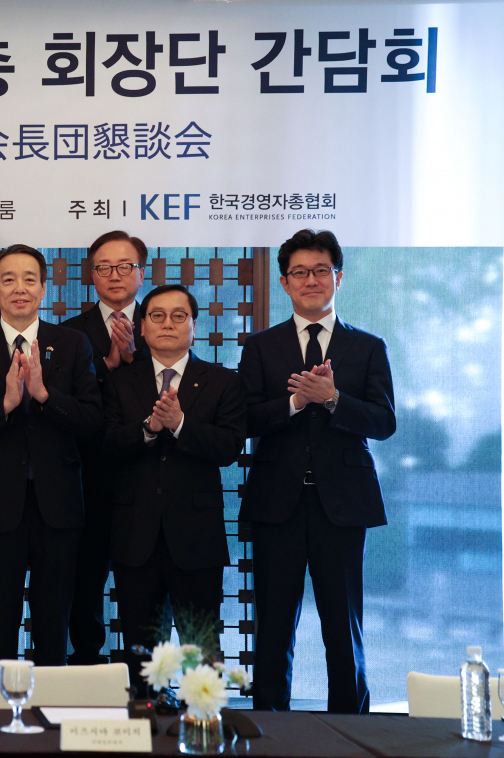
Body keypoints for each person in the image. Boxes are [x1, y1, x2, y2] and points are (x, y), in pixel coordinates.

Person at [240, 229, 396, 714]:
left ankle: (352, 728)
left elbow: (384, 421)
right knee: (274, 627)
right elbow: (244, 419)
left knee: (342, 626)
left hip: (342, 505)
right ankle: (267, 731)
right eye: (300, 273)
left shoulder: (367, 347)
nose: (311, 280)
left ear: (339, 277)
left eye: (321, 270)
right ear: (285, 283)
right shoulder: (262, 347)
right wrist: (294, 402)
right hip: (277, 503)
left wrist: (332, 400)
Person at [0, 244, 103, 666]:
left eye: (30, 279)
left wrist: (45, 396)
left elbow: (92, 421)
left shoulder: (72, 343)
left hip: (59, 505)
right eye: (8, 279)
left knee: (54, 619)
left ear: (44, 288)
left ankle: (50, 714)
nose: (20, 288)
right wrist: (6, 406)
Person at [101, 284, 246, 687]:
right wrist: (148, 428)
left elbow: (230, 447)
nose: (168, 323)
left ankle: (203, 727)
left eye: (178, 316)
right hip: (135, 535)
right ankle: (144, 730)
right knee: (141, 651)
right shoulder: (119, 382)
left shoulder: (222, 381)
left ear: (194, 326)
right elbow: (106, 445)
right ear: (142, 328)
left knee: (202, 646)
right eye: (157, 315)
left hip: (196, 537)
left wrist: (180, 424)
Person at [60, 230, 150, 666]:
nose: (115, 276)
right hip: (88, 472)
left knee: (148, 577)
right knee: (85, 571)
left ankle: (150, 670)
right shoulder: (70, 333)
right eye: (104, 267)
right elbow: (65, 403)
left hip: (150, 471)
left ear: (141, 272)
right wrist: (108, 368)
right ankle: (86, 660)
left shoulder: (163, 322)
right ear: (91, 275)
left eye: (124, 266)